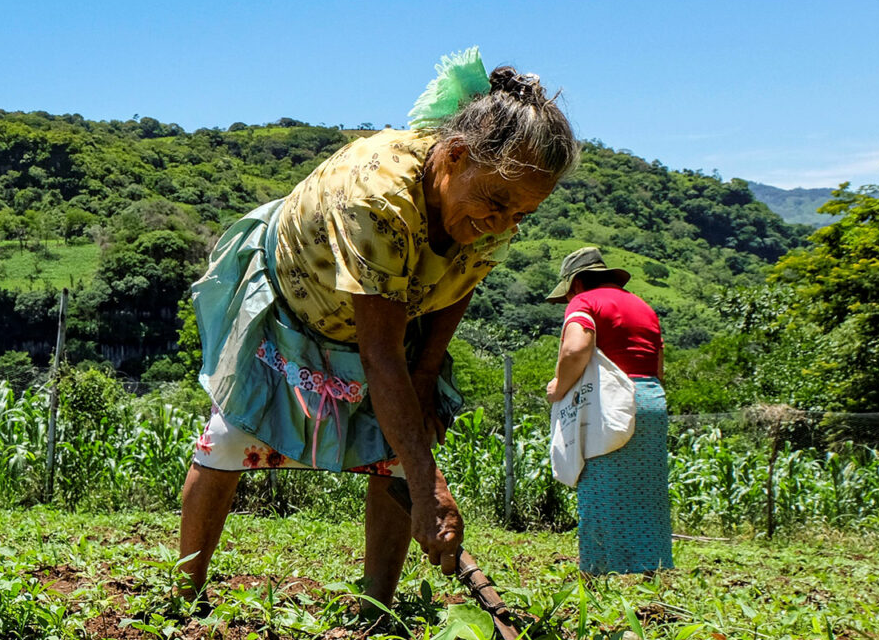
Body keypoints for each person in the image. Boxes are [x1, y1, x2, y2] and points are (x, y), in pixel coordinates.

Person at [176, 48, 580, 610]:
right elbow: (380, 353)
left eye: (522, 215)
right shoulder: (378, 198)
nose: (504, 225)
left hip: (391, 322)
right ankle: (183, 597)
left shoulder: (491, 209)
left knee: (401, 446)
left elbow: (459, 283)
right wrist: (426, 484)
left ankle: (379, 606)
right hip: (298, 307)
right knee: (229, 438)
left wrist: (427, 373)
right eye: (498, 204)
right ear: (456, 156)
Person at [543, 246, 674, 575]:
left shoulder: (583, 302)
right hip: (650, 401)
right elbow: (657, 367)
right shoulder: (644, 307)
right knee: (646, 497)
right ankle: (648, 574)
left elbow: (576, 348)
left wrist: (559, 387)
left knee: (601, 494)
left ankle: (599, 578)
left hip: (610, 406)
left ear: (575, 284)